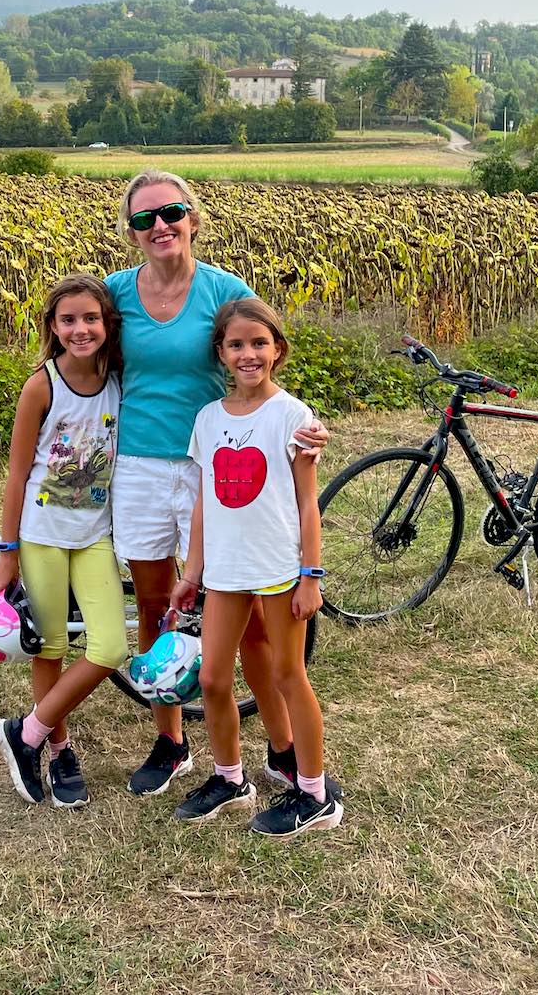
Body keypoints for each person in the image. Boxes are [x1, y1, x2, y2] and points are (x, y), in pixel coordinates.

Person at [106, 169, 327, 797]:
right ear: (131, 231)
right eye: (145, 218)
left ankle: (283, 749)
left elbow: (259, 359)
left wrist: (309, 429)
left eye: (170, 212)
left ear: (193, 218)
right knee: (157, 607)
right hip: (142, 468)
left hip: (216, 465)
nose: (160, 226)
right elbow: (75, 351)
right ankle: (171, 739)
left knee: (255, 618)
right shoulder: (117, 294)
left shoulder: (223, 290)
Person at [170, 297, 342, 836]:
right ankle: (229, 778)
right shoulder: (208, 418)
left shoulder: (292, 416)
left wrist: (310, 576)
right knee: (215, 678)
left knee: (289, 674)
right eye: (237, 345)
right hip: (224, 574)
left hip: (277, 571)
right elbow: (204, 502)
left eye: (259, 343)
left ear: (278, 350)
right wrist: (192, 573)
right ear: (220, 352)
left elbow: (306, 503)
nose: (249, 354)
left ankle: (314, 794)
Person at [0, 275, 126, 808]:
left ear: (106, 324)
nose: (80, 329)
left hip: (94, 536)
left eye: (90, 318)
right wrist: (7, 554)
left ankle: (25, 732)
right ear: (53, 327)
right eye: (67, 320)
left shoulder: (117, 379)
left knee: (109, 647)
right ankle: (60, 749)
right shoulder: (41, 386)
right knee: (49, 647)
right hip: (42, 536)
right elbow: (18, 473)